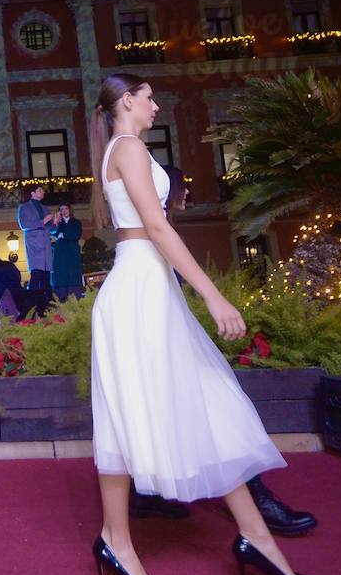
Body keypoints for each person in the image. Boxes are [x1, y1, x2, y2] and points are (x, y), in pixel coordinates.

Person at [88, 72, 321, 575]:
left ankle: (257, 537)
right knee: (131, 414)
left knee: (209, 402)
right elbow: (159, 227)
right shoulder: (126, 147)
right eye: (149, 97)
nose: (156, 105)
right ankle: (116, 541)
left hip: (152, 287)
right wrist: (213, 296)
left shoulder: (127, 149)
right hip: (139, 291)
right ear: (127, 100)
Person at [130, 164, 318, 536]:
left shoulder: (151, 221)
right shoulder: (154, 225)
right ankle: (253, 501)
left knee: (169, 401)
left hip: (162, 316)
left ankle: (149, 494)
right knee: (213, 398)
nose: (186, 200)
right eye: (181, 192)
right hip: (156, 318)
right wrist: (214, 298)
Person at [16, 186, 54, 291]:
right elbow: (24, 225)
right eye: (40, 190)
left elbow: (51, 228)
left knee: (46, 276)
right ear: (32, 193)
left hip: (45, 245)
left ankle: (46, 302)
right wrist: (43, 221)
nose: (43, 192)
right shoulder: (24, 207)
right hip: (34, 245)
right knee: (36, 274)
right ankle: (33, 300)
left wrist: (55, 222)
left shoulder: (45, 208)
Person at [49, 204, 84, 300]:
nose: (64, 211)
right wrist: (56, 224)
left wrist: (62, 235)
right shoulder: (58, 223)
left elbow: (75, 235)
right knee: (61, 278)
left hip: (72, 253)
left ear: (70, 210)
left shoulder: (76, 222)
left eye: (66, 208)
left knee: (73, 277)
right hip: (60, 254)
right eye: (61, 209)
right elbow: (52, 232)